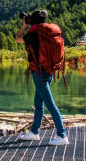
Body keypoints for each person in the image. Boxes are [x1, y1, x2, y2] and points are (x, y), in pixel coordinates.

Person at [15, 9, 68, 145]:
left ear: (33, 20)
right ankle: (34, 132)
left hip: (39, 74)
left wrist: (24, 25)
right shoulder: (49, 32)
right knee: (39, 104)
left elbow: (18, 39)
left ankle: (62, 135)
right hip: (49, 71)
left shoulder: (33, 33)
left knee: (50, 104)